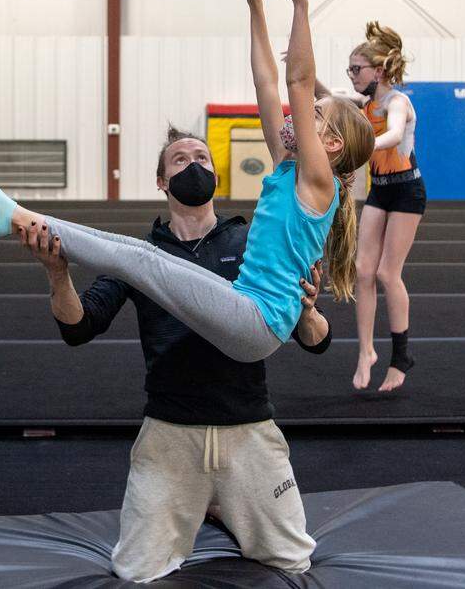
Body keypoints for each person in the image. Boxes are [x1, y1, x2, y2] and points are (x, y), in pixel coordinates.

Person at [0, 0, 374, 365]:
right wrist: (257, 8)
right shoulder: (288, 168)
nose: (298, 115)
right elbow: (267, 80)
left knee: (145, 261)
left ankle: (15, 215)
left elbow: (298, 82)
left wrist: (301, 3)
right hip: (248, 310)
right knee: (139, 251)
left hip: (257, 321)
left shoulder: (318, 185)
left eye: (313, 115)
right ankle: (19, 217)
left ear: (332, 145)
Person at [21, 124, 332, 582]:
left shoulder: (251, 243)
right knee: (135, 570)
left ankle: (223, 503)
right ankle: (202, 502)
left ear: (216, 177)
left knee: (293, 561)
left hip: (247, 429)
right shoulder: (141, 257)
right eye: (181, 161)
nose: (194, 165)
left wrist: (306, 310)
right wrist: (57, 275)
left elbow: (318, 340)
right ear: (162, 182)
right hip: (170, 433)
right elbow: (79, 327)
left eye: (202, 158)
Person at [346, 23, 424, 393]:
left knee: (387, 274)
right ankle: (365, 352)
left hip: (408, 192)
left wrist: (365, 145)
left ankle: (400, 356)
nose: (352, 76)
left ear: (378, 71)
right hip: (380, 190)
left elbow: (393, 134)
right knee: (363, 270)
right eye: (350, 69)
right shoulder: (366, 104)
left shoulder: (397, 103)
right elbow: (331, 98)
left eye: (356, 69)